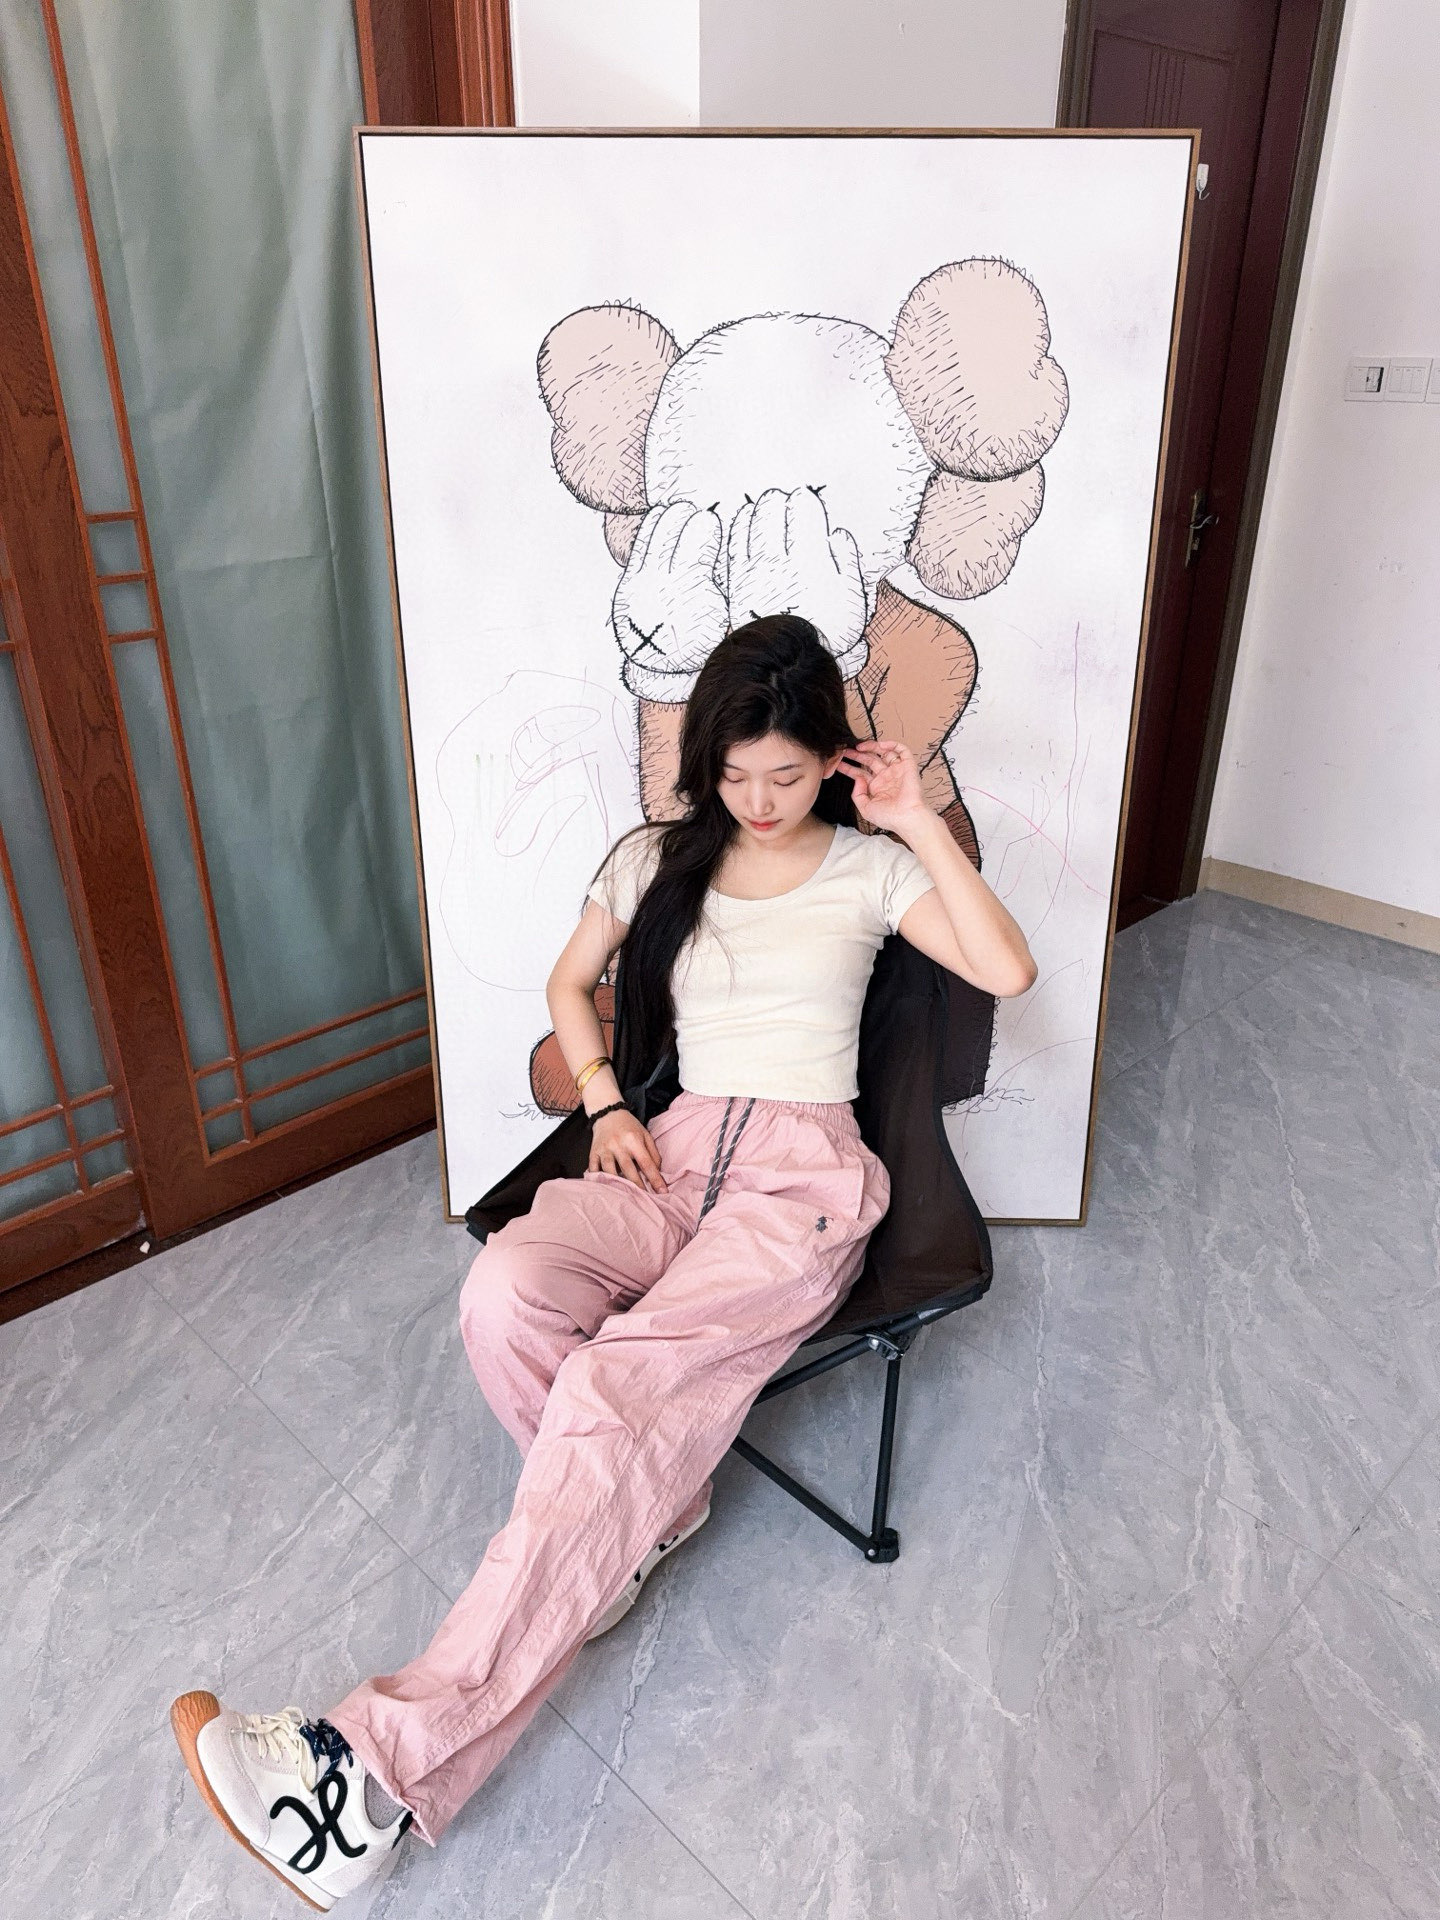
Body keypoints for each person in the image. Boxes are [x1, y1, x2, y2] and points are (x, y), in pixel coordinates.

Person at [169, 615, 1037, 1911]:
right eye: (734, 774)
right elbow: (569, 987)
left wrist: (914, 817)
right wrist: (608, 1102)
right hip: (668, 1155)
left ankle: (371, 1782)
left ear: (832, 761)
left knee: (608, 1387)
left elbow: (1007, 967)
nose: (759, 801)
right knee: (506, 1291)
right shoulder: (653, 861)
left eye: (786, 775)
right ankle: (638, 1523)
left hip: (798, 1188)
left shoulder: (872, 870)